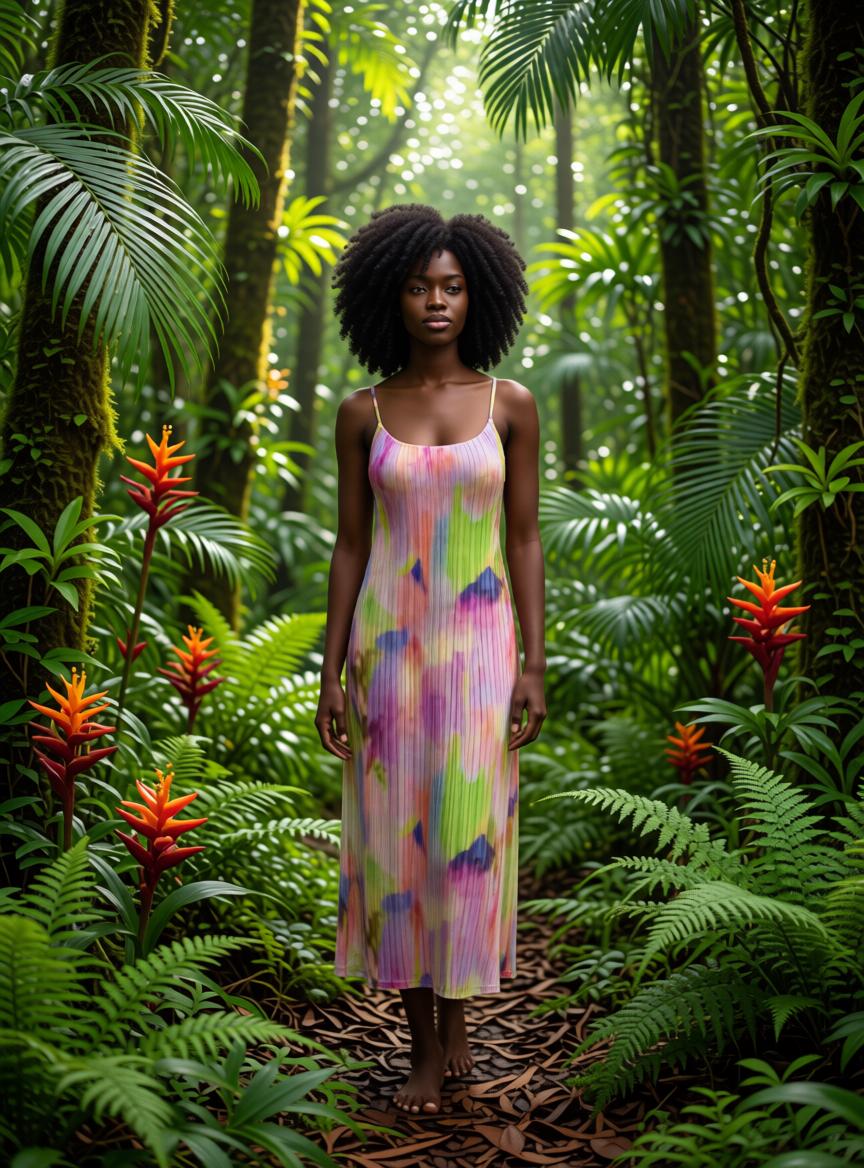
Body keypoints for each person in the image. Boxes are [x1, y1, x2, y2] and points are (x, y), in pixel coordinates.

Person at [316, 204, 546, 1116]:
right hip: (390, 654)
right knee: (396, 848)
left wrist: (533, 659)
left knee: (466, 841)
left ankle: (461, 1023)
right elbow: (347, 545)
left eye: (451, 286)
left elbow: (524, 538)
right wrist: (330, 671)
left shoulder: (511, 405)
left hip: (483, 654)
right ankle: (422, 1044)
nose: (436, 302)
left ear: (475, 294)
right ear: (391, 297)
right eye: (418, 286)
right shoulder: (360, 412)